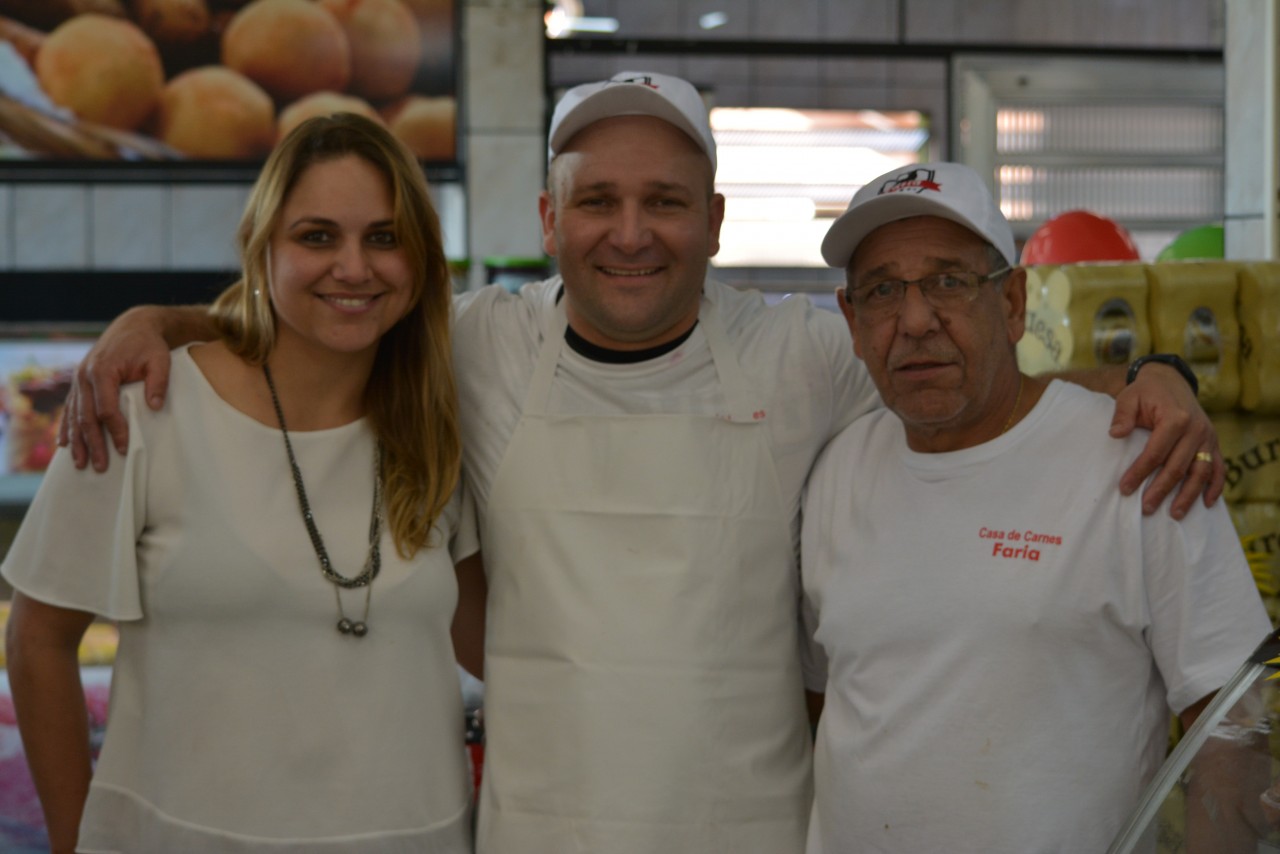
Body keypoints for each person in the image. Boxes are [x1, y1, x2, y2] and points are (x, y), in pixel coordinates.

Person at [59, 74, 1223, 853]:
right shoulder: (476, 342)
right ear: (546, 214)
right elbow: (325, 318)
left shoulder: (807, 346)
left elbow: (964, 367)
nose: (630, 230)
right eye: (598, 200)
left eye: (664, 201)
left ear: (713, 221)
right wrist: (163, 322)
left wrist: (1147, 378)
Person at [3, 113, 484, 853]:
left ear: (419, 258)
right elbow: (38, 638)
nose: (353, 267)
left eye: (383, 238)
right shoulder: (145, 409)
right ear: (263, 249)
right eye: (316, 236)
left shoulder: (443, 420)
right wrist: (75, 840)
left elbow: (489, 641)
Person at [799, 161, 1271, 853]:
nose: (916, 320)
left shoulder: (1139, 461)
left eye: (949, 282)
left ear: (1014, 303)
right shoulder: (836, 471)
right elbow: (826, 703)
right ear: (851, 317)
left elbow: (1232, 723)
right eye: (881, 291)